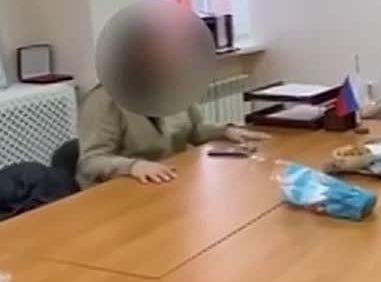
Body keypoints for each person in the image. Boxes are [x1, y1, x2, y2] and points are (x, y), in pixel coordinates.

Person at [77, 17, 269, 189]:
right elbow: (91, 162)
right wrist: (134, 166)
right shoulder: (104, 100)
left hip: (169, 182)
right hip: (124, 191)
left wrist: (226, 131)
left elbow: (195, 130)